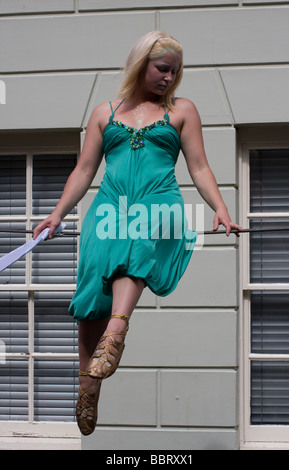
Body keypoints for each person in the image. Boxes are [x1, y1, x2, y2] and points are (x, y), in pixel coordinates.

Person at [33, 30, 242, 435]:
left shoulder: (181, 110)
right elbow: (84, 170)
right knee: (92, 298)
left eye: (175, 72)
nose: (169, 77)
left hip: (158, 202)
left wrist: (220, 208)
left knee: (136, 245)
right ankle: (87, 383)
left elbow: (198, 166)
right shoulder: (103, 113)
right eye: (162, 68)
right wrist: (57, 214)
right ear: (141, 63)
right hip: (109, 205)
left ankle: (117, 332)